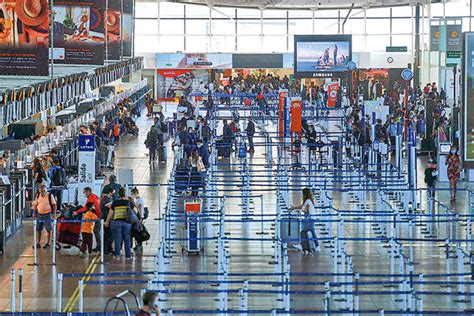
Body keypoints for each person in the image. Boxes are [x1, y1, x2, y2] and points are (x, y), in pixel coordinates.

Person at [105, 188, 136, 260]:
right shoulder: (128, 202)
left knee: (117, 239)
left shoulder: (115, 202)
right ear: (125, 194)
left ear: (118, 194)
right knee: (127, 239)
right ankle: (128, 256)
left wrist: (107, 221)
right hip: (127, 223)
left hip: (117, 222)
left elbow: (110, 214)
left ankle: (117, 255)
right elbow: (135, 211)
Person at [289, 188, 319, 255]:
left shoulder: (308, 201)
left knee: (303, 232)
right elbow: (302, 206)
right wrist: (294, 207)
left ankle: (303, 245)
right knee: (309, 232)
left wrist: (302, 211)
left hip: (309, 219)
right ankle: (316, 246)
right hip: (311, 218)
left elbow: (306, 209)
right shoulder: (308, 200)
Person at [32, 184, 57, 249]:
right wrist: (34, 213)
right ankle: (38, 243)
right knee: (39, 229)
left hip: (47, 214)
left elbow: (54, 205)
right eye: (41, 192)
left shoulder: (50, 195)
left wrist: (54, 214)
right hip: (39, 214)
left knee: (49, 229)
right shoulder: (37, 195)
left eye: (43, 191)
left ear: (46, 191)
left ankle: (48, 243)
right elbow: (35, 204)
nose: (42, 193)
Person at [100, 188, 114, 255]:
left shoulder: (105, 198)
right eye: (112, 192)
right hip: (106, 219)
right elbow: (111, 207)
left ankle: (109, 249)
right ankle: (106, 250)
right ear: (110, 192)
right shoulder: (106, 199)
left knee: (107, 234)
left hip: (106, 218)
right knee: (109, 235)